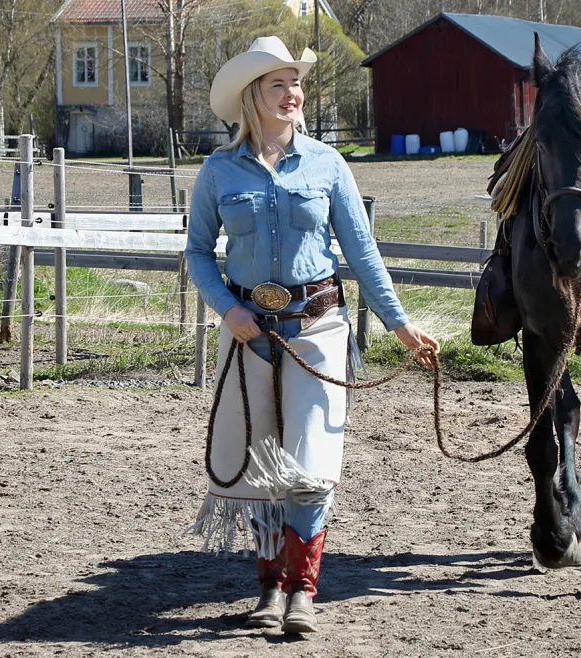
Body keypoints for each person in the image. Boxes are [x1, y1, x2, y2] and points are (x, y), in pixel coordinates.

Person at [184, 36, 439, 635]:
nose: (293, 93)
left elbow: (362, 253)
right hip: (249, 332)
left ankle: (303, 590)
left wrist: (400, 324)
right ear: (253, 96)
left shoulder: (328, 164)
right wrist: (226, 309)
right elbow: (197, 253)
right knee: (263, 464)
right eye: (280, 84)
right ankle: (269, 588)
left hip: (318, 327)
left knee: (310, 464)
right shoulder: (218, 171)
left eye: (296, 83)